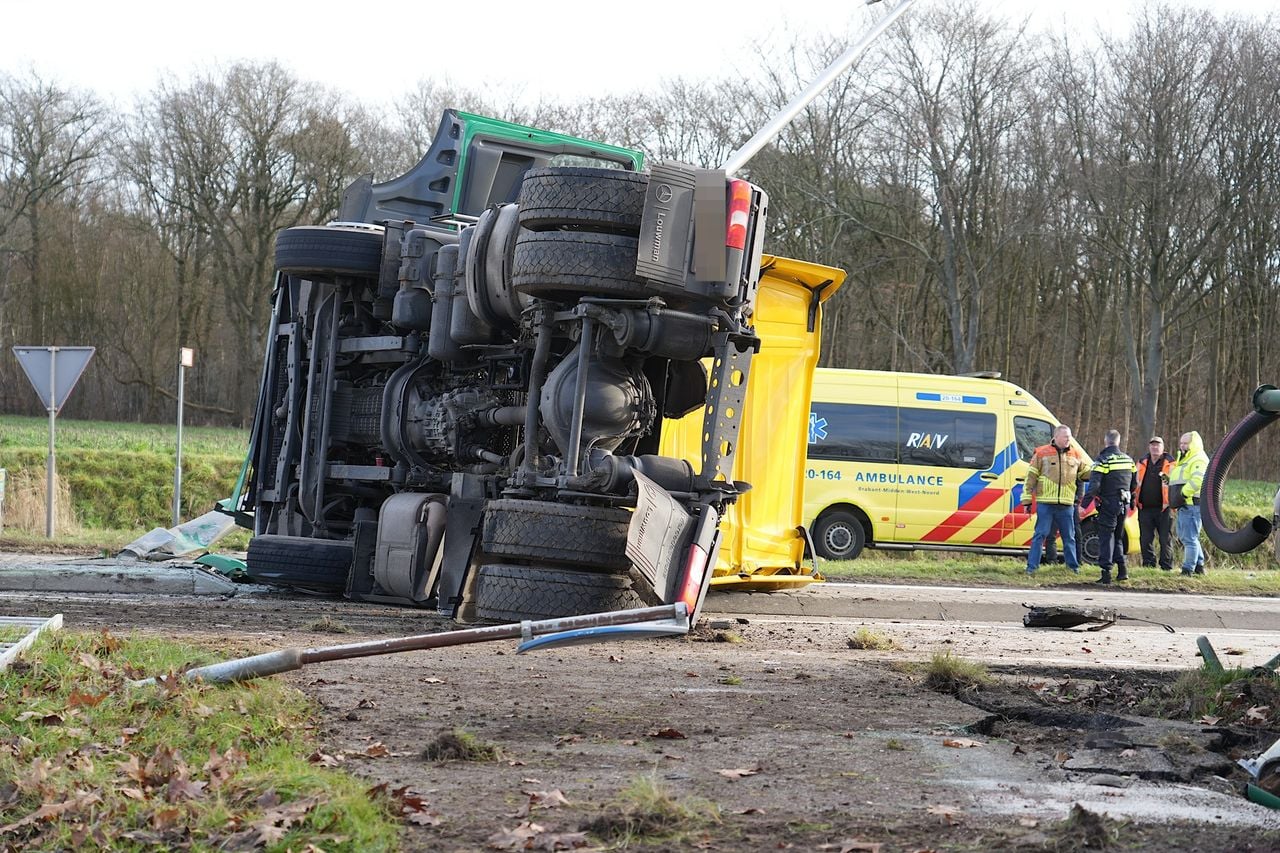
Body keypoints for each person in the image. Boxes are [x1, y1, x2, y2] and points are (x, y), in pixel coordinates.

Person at [1022, 424, 1092, 576]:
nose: (1069, 439)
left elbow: (1086, 473)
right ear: (1056, 437)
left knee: (1069, 537)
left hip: (1067, 504)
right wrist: (1027, 500)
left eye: (1069, 436)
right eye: (1066, 436)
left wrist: (1099, 471)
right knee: (1040, 535)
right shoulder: (1041, 453)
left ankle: (1072, 567)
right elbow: (1031, 477)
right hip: (1046, 502)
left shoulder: (1076, 454)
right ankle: (1031, 567)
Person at [1087, 430, 1138, 584]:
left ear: (1105, 441)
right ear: (1118, 441)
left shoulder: (1103, 460)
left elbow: (1094, 486)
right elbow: (1134, 484)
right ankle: (1122, 570)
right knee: (1117, 537)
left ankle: (1106, 573)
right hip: (1124, 503)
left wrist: (1085, 504)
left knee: (1106, 537)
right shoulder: (1128, 460)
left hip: (1108, 503)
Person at [1169, 431, 1209, 576]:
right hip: (1184, 504)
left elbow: (1198, 480)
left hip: (1191, 503)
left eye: (1185, 443)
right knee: (1188, 536)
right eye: (1181, 443)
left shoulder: (1198, 459)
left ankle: (1188, 569)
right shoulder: (1185, 458)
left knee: (1189, 539)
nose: (1182, 445)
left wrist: (1182, 494)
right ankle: (1199, 566)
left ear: (1194, 444)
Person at [1136, 436, 1174, 571]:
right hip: (1144, 507)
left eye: (1157, 445)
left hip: (1164, 508)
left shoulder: (1170, 463)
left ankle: (1166, 566)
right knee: (1145, 539)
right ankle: (1148, 565)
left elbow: (1172, 484)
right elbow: (1136, 482)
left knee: (1165, 539)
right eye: (1152, 445)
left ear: (1163, 448)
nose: (1155, 447)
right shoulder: (1141, 462)